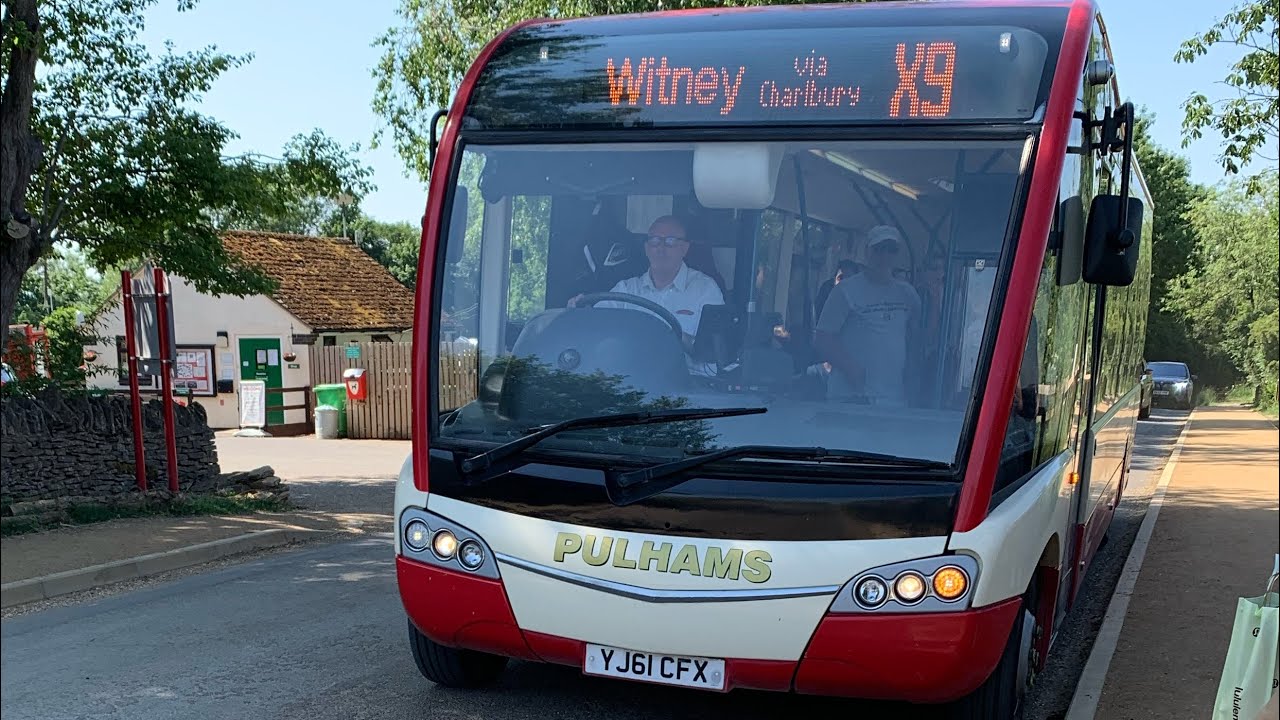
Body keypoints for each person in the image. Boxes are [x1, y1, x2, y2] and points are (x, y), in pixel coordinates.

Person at [570, 215, 724, 352]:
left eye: (670, 241)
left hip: (687, 380)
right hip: (633, 378)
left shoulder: (705, 289)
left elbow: (713, 350)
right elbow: (596, 324)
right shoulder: (625, 291)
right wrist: (580, 312)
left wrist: (666, 333)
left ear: (684, 248)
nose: (661, 249)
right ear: (646, 248)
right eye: (655, 241)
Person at [814, 225, 921, 406]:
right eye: (879, 250)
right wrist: (851, 368)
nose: (885, 256)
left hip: (894, 400)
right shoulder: (845, 291)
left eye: (891, 250)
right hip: (851, 399)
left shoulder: (908, 294)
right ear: (867, 252)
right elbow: (823, 338)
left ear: (898, 255)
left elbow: (917, 338)